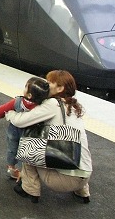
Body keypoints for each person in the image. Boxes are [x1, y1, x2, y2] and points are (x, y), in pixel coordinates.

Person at [6, 69, 92, 204]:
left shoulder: (53, 104)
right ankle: (83, 192)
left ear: (60, 88)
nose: (45, 84)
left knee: (30, 148)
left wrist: (9, 113)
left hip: (62, 181)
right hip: (85, 175)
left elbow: (20, 121)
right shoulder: (73, 106)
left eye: (50, 82)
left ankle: (29, 189)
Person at [0, 77, 50, 180]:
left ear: (29, 95)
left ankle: (11, 168)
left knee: (12, 150)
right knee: (28, 153)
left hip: (14, 132)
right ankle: (27, 172)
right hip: (30, 135)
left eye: (25, 87)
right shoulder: (41, 107)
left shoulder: (18, 101)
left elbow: (2, 109)